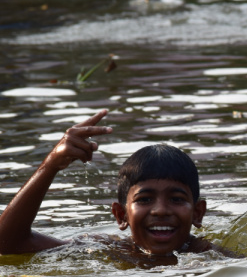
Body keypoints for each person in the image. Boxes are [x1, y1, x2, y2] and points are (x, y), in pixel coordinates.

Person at [0, 110, 235, 266]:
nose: (160, 210)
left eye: (176, 198)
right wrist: (50, 165)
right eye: (144, 199)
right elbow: (7, 243)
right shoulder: (106, 251)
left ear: (198, 213)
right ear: (121, 215)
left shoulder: (211, 258)